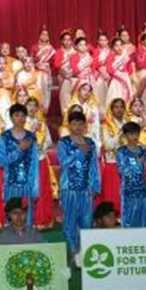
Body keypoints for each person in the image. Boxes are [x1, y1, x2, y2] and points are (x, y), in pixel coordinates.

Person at [82, 202, 145, 290]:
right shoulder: (89, 236)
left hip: (119, 283)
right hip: (99, 282)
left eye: (114, 216)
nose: (112, 219)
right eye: (108, 216)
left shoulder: (123, 233)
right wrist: (78, 260)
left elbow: (136, 253)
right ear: (99, 220)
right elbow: (76, 262)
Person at [0, 196, 50, 290]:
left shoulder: (35, 235)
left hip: (32, 283)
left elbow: (48, 255)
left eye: (22, 213)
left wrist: (61, 269)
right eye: (15, 213)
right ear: (8, 215)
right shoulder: (2, 236)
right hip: (10, 282)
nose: (19, 217)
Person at [58, 109, 101, 260]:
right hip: (69, 188)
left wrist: (95, 185)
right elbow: (63, 163)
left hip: (86, 189)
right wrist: (77, 152)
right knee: (70, 221)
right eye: (74, 124)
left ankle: (85, 252)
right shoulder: (64, 143)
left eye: (80, 124)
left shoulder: (90, 143)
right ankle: (73, 252)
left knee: (87, 221)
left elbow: (94, 165)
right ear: (69, 125)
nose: (77, 127)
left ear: (85, 126)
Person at [115, 121, 146, 228]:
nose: (134, 136)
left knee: (142, 214)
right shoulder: (121, 151)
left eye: (136, 133)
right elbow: (122, 171)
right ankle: (128, 236)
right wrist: (137, 164)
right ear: (125, 135)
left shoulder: (143, 151)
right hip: (128, 188)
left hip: (142, 188)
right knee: (129, 215)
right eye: (131, 134)